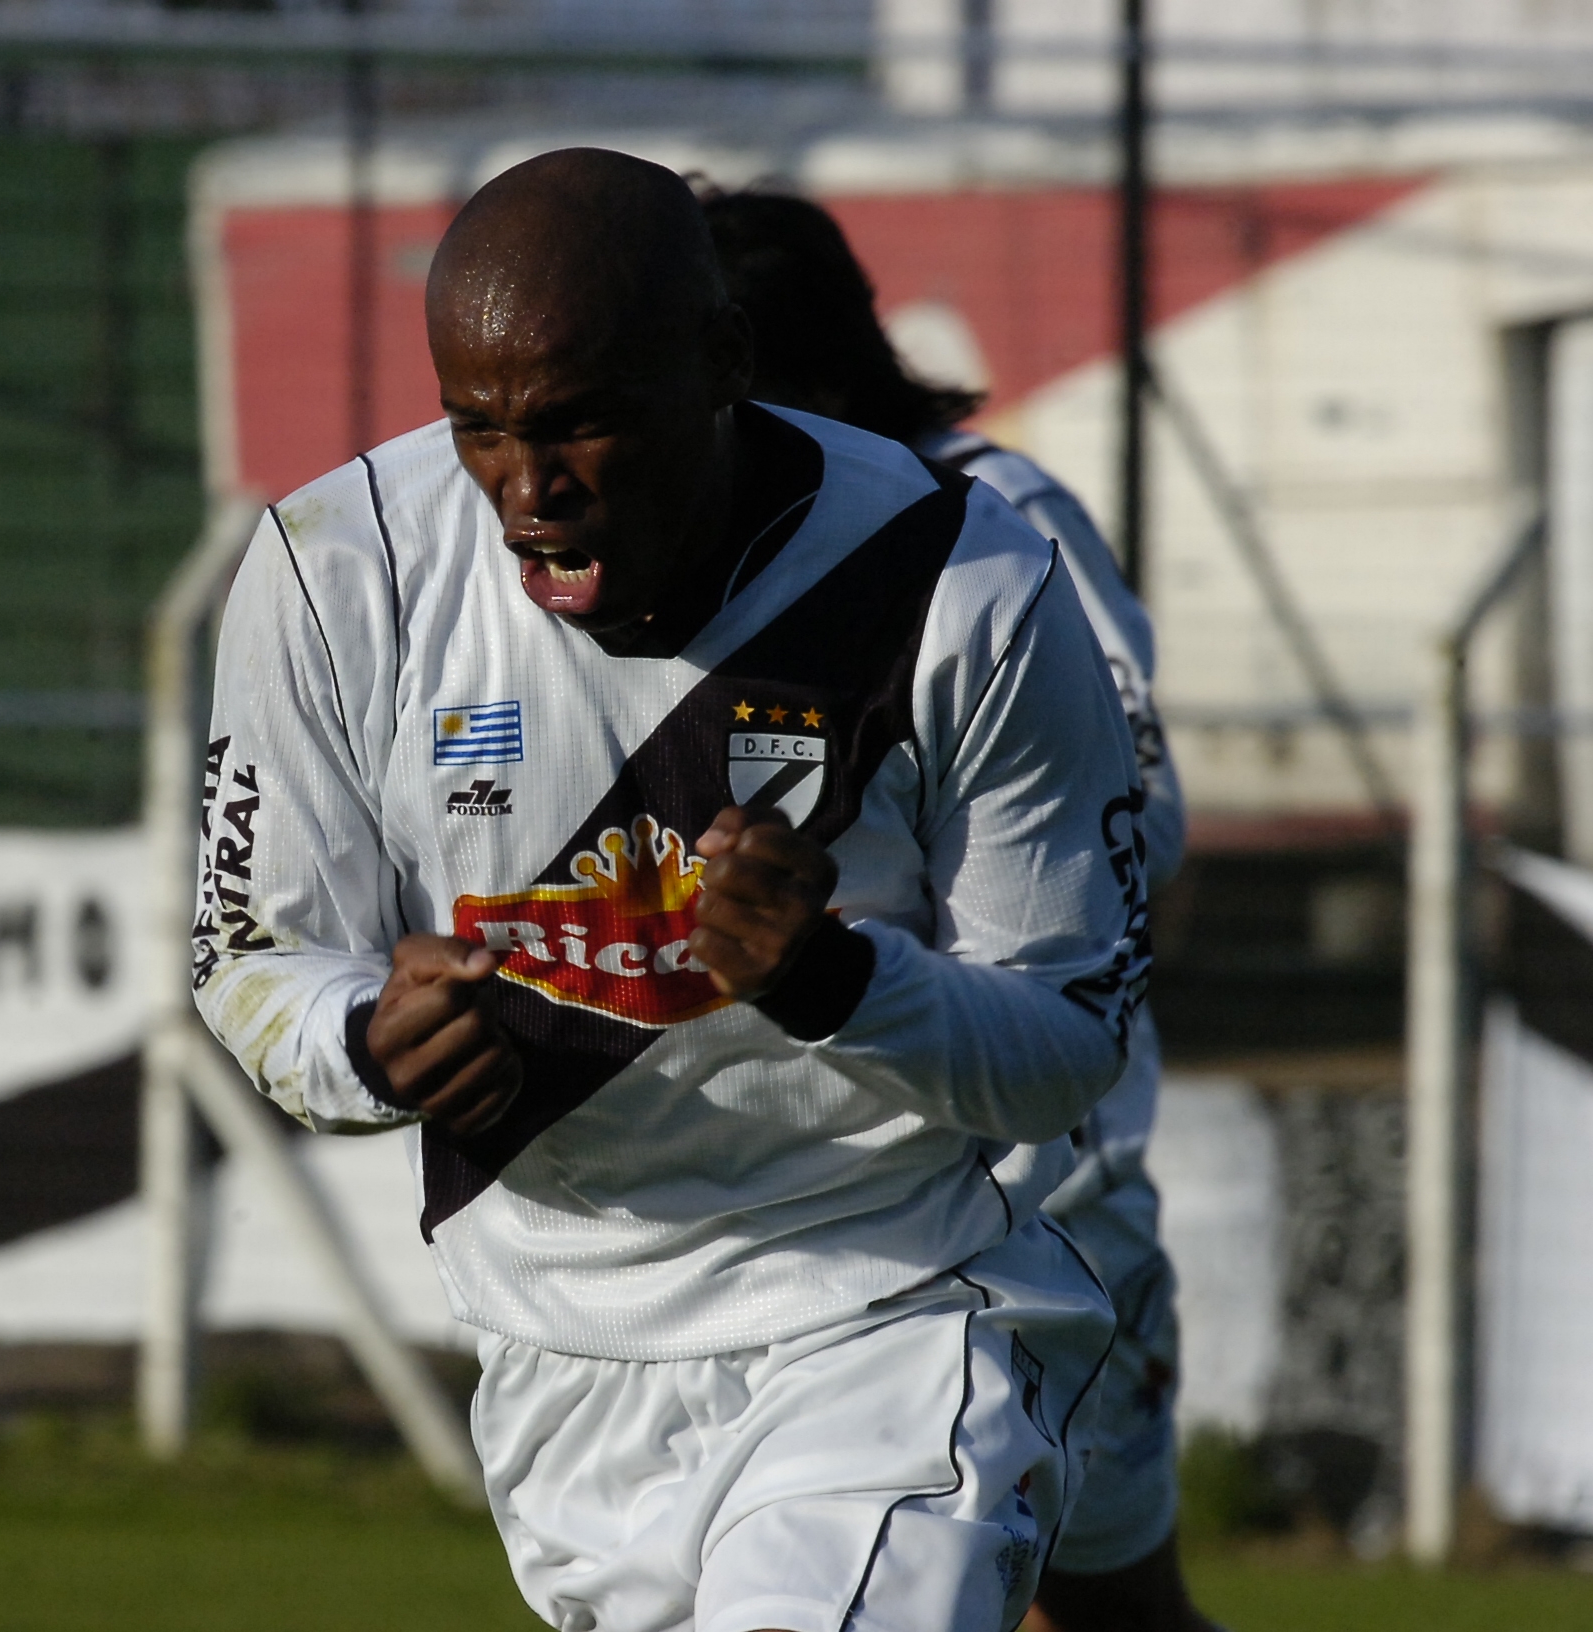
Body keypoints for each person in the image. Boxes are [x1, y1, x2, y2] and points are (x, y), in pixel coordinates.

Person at [193, 148, 1150, 1632]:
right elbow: (255, 955)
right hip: (555, 1358)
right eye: (482, 434)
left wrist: (835, 982)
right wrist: (362, 1046)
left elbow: (1069, 1043)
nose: (529, 491)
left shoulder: (961, 581)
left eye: (580, 428)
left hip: (882, 1311)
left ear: (722, 363)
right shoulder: (341, 569)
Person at [700, 187, 1209, 1632]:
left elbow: (1143, 819)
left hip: (1038, 1194)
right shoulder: (725, 543)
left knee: (1101, 1615)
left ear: (784, 369)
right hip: (820, 1215)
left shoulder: (996, 518)